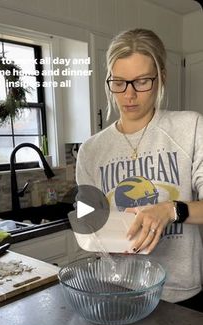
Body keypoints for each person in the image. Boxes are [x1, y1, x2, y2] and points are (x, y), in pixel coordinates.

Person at [76, 28, 203, 310]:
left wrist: (171, 210)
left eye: (142, 81)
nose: (129, 95)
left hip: (180, 294)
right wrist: (91, 228)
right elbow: (89, 221)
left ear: (160, 80)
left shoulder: (190, 128)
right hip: (116, 288)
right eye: (119, 82)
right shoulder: (91, 150)